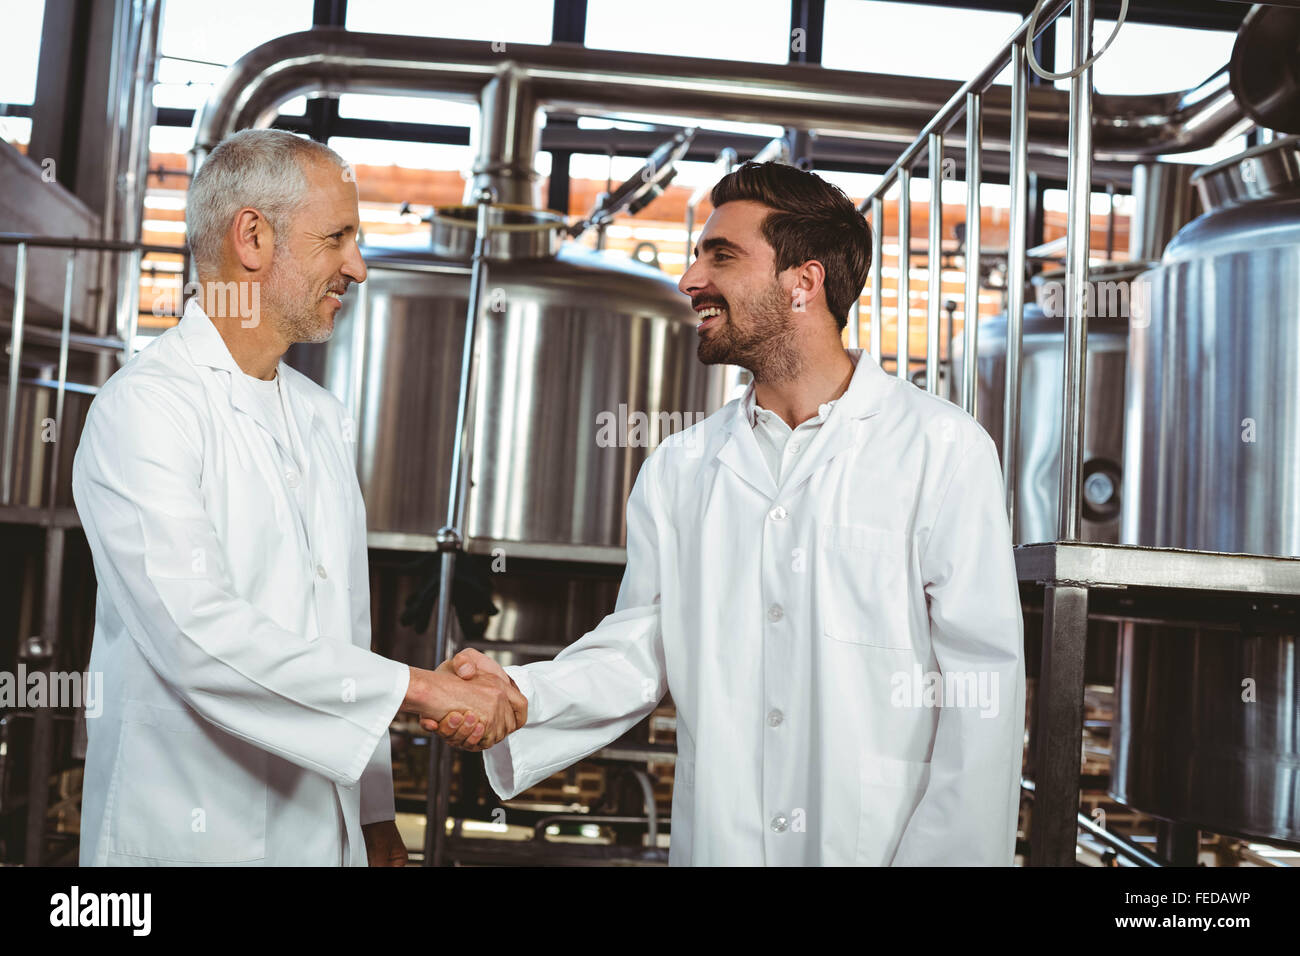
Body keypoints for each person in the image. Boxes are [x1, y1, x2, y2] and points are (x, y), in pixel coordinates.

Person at [430, 161, 1026, 866]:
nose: (690, 281)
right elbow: (642, 647)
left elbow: (980, 690)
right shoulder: (680, 468)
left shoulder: (941, 449)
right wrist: (524, 695)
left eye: (722, 256)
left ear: (804, 283)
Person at [72, 129, 523, 867]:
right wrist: (420, 690)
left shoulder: (318, 415)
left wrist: (376, 818)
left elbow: (344, 635)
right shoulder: (145, 409)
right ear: (252, 237)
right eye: (337, 238)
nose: (359, 267)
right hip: (192, 838)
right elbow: (197, 639)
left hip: (327, 834)